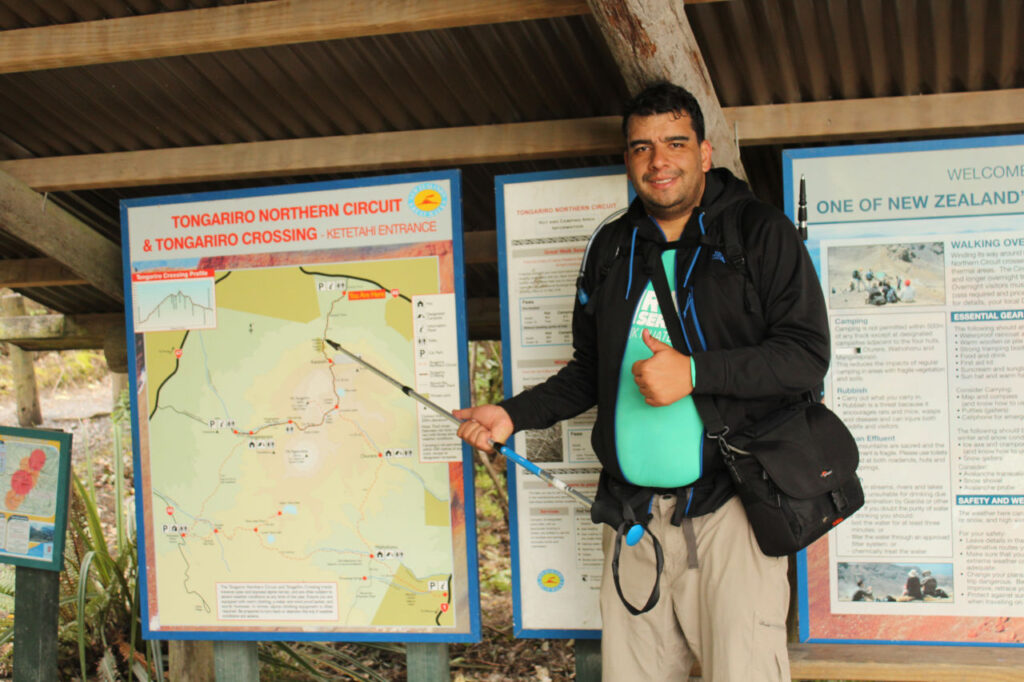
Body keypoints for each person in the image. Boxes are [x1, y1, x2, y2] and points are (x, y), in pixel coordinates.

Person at [455, 82, 829, 681]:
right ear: (628, 158)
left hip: (732, 509)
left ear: (705, 152)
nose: (659, 161)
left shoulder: (759, 234)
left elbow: (805, 356)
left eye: (675, 142)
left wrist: (695, 372)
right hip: (634, 521)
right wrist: (512, 414)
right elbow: (589, 372)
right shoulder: (612, 247)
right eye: (642, 147)